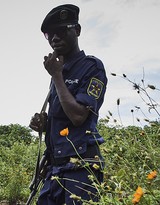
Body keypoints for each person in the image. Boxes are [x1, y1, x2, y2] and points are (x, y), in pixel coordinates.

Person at [29, 4, 107, 204]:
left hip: (81, 169)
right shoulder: (58, 72)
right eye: (50, 34)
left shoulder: (92, 67)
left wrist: (56, 76)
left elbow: (78, 117)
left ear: (77, 31)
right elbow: (64, 121)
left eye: (62, 31)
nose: (55, 38)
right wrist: (45, 125)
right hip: (55, 168)